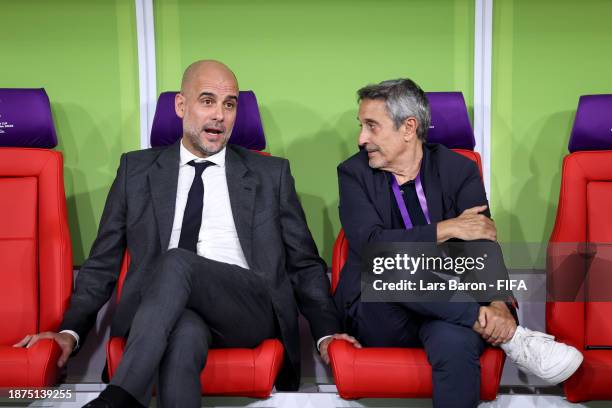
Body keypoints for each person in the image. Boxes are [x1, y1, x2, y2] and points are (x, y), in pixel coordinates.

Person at [13, 60, 360, 408]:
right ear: (181, 105)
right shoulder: (136, 171)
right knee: (184, 336)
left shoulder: (271, 174)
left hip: (246, 308)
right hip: (164, 310)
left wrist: (326, 334)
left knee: (179, 260)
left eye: (229, 104)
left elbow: (304, 265)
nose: (220, 116)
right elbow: (102, 263)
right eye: (207, 101)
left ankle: (118, 398)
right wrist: (69, 332)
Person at [334, 78, 583, 408]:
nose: (361, 139)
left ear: (408, 127)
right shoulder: (353, 173)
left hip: (448, 310)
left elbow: (482, 241)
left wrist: (496, 304)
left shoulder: (459, 170)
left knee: (455, 342)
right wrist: (449, 228)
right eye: (361, 126)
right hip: (379, 311)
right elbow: (370, 246)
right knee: (389, 264)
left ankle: (494, 325)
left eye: (371, 126)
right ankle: (514, 338)